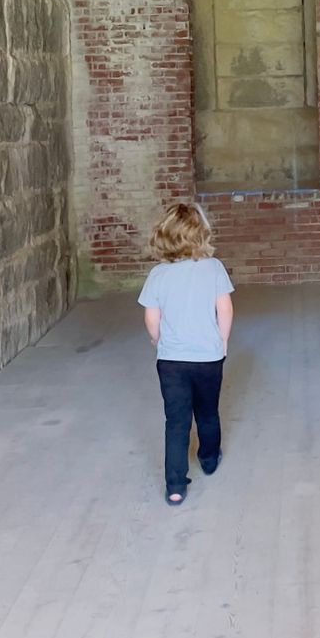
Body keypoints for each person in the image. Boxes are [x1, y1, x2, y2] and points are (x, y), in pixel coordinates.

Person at [138, 202, 234, 505]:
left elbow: (151, 318)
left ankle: (176, 486)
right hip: (208, 357)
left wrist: (158, 340)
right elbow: (225, 309)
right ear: (201, 233)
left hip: (171, 361)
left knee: (176, 421)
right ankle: (209, 458)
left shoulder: (158, 274)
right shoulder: (214, 267)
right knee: (207, 411)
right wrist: (223, 340)